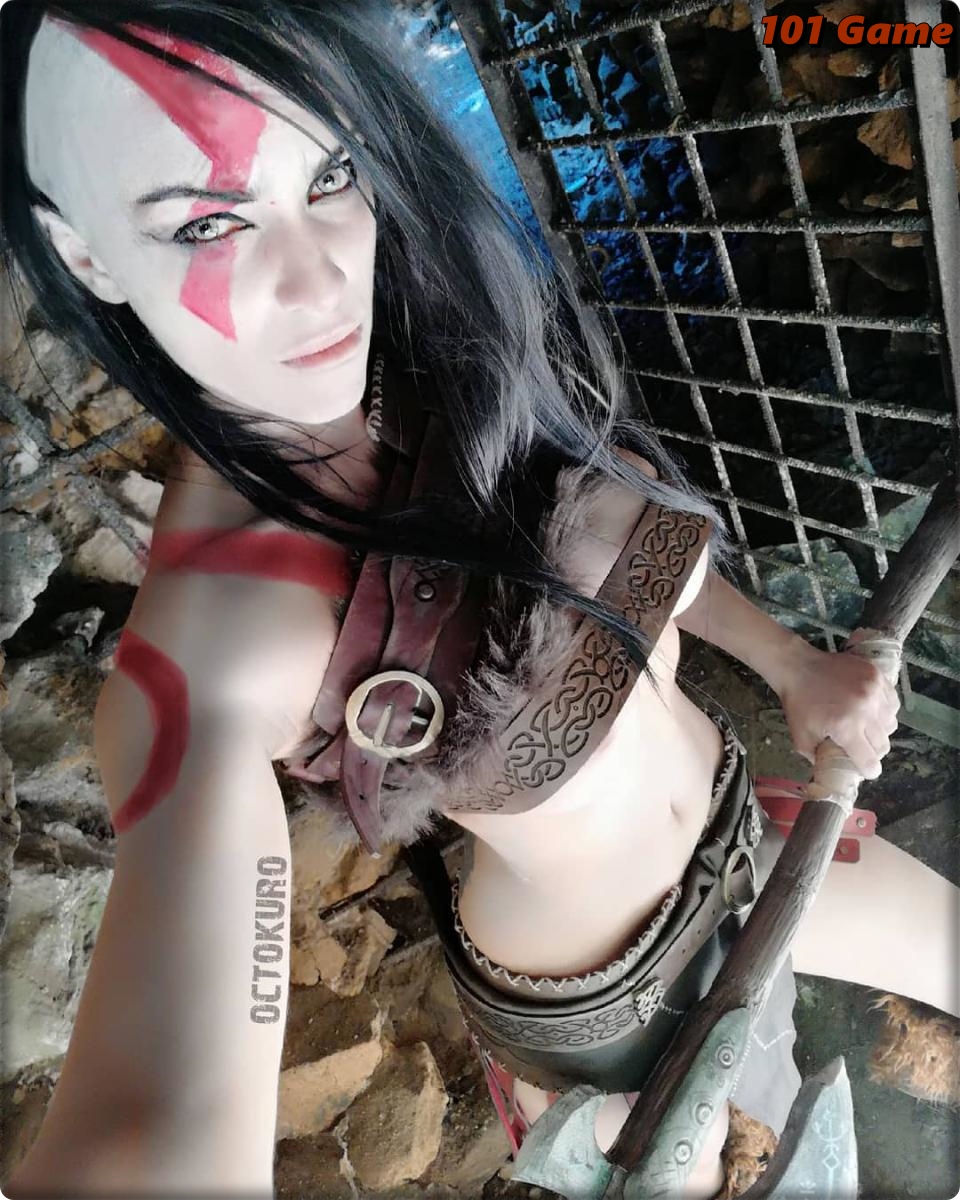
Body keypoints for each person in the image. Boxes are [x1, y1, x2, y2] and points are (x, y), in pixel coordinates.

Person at [0, 3, 954, 1197]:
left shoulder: (420, 336)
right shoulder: (222, 649)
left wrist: (795, 667)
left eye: (327, 175)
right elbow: (158, 1143)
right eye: (206, 222)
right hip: (617, 996)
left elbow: (634, 548)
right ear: (86, 257)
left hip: (743, 826)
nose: (321, 276)